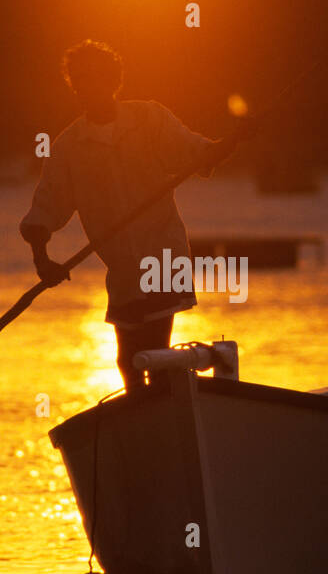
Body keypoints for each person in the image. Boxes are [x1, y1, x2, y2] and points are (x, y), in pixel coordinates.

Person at [20, 39, 250, 391]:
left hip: (164, 257)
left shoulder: (150, 118)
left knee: (154, 353)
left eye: (95, 79)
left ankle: (159, 411)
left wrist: (232, 143)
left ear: (113, 82)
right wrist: (43, 260)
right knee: (126, 361)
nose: (87, 88)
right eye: (80, 81)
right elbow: (46, 208)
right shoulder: (68, 147)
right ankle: (143, 416)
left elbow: (197, 153)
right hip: (123, 270)